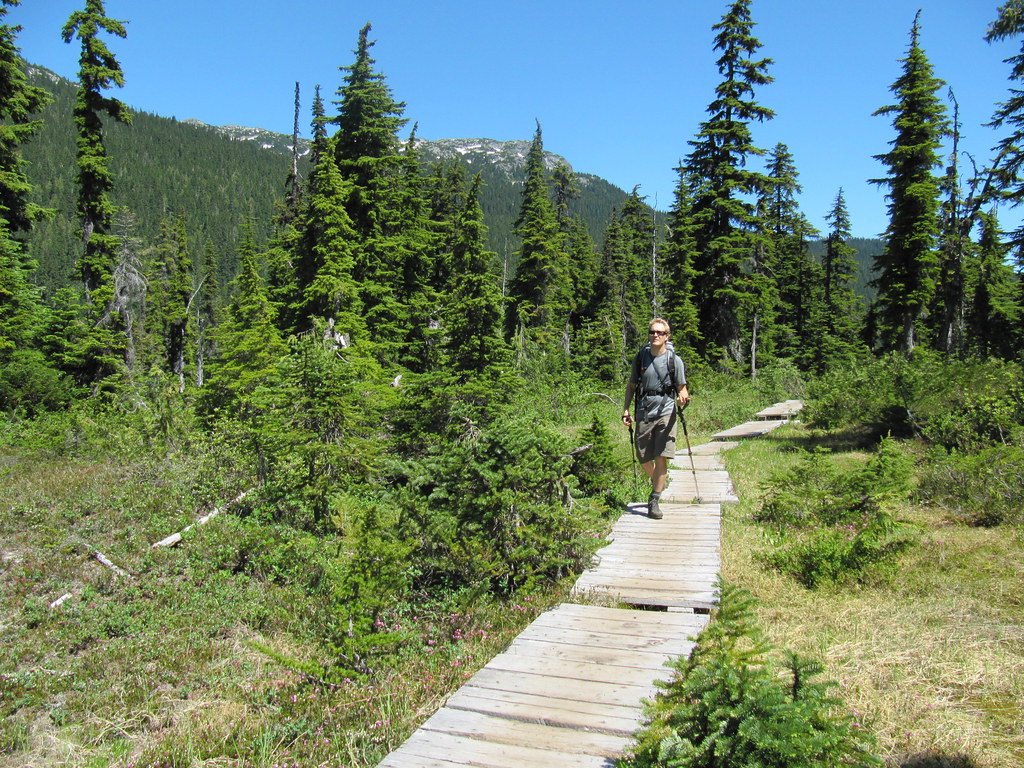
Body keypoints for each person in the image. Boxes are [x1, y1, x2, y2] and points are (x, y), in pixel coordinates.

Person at [622, 318, 690, 519]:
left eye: (660, 333)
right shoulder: (641, 357)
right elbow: (632, 385)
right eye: (652, 332)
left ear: (667, 336)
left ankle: (654, 499)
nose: (655, 336)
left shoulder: (674, 360)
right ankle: (659, 480)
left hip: (666, 411)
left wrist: (682, 398)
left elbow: (682, 388)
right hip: (644, 410)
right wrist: (626, 409)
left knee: (661, 456)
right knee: (643, 456)